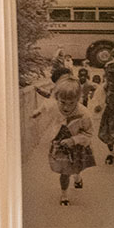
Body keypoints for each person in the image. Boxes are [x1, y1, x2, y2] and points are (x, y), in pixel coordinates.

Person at [32, 75, 96, 206]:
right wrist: (38, 112)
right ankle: (64, 195)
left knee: (75, 167)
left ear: (78, 99)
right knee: (65, 171)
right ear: (57, 98)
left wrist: (74, 140)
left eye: (71, 103)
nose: (66, 107)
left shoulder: (84, 114)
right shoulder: (55, 105)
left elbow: (89, 133)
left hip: (77, 144)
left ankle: (77, 177)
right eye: (63, 102)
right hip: (59, 143)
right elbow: (46, 105)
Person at [97, 60, 114, 165]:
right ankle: (111, 153)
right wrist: (99, 106)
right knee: (107, 134)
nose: (112, 77)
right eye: (110, 74)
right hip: (109, 113)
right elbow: (100, 97)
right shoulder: (105, 86)